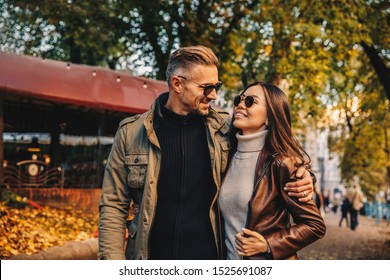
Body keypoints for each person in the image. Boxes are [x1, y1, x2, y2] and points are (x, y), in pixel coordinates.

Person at [98, 46, 315, 260]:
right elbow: (113, 205)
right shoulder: (131, 133)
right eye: (206, 87)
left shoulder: (226, 130)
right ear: (177, 84)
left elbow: (269, 148)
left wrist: (304, 174)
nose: (213, 95)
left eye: (216, 86)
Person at [219, 82, 326, 260]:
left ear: (270, 116)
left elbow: (315, 225)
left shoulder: (282, 164)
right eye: (239, 99)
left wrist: (268, 244)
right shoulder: (225, 156)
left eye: (250, 101)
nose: (240, 104)